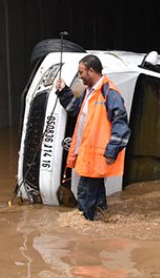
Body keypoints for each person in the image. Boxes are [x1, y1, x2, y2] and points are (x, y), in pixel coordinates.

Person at [54, 54, 131, 221]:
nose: (80, 75)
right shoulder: (89, 92)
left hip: (97, 156)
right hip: (88, 155)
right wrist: (63, 92)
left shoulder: (109, 93)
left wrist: (112, 151)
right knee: (95, 196)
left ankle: (85, 234)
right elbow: (75, 110)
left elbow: (121, 124)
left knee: (84, 195)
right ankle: (101, 223)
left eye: (81, 72)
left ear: (91, 71)